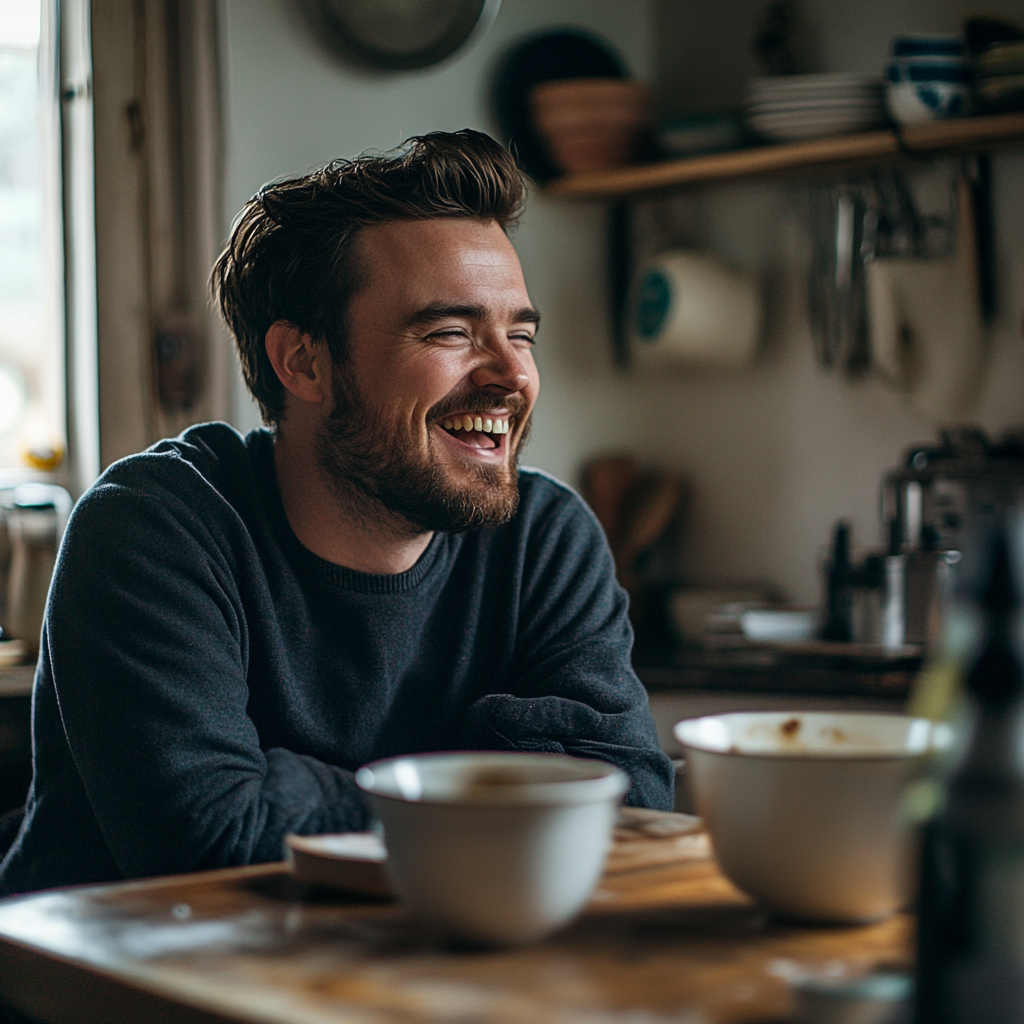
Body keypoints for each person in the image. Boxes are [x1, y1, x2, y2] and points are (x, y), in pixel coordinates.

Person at [0, 130, 672, 896]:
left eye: (519, 334)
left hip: (402, 981)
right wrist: (503, 776)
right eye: (451, 331)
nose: (513, 374)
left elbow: (632, 799)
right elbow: (214, 843)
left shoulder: (546, 538)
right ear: (304, 362)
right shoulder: (154, 528)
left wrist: (298, 791)